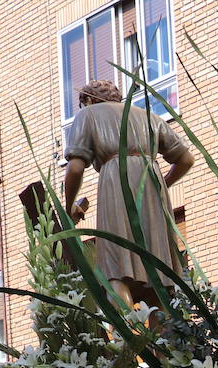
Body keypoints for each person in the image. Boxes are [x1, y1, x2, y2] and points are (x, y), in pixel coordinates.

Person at [62, 78, 194, 306]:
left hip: (116, 184)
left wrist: (69, 206)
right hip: (152, 187)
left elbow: (75, 167)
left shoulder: (89, 114)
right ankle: (163, 341)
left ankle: (127, 339)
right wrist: (162, 183)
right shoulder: (150, 117)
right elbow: (186, 159)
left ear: (90, 100)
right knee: (159, 273)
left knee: (116, 267)